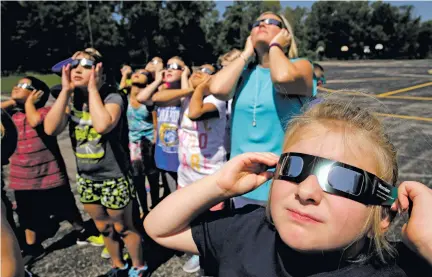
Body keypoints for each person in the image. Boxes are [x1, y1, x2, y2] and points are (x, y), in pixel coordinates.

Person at [144, 100, 432, 276]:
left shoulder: (397, 269)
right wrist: (219, 185)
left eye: (343, 180)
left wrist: (428, 243)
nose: (306, 191)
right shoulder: (248, 230)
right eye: (293, 167)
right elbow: (159, 228)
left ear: (383, 215)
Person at [44, 49, 148, 276]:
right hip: (87, 178)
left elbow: (103, 125)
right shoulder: (70, 99)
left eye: (85, 65)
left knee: (123, 227)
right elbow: (50, 128)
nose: (77, 69)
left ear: (100, 71)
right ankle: (117, 265)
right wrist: (67, 91)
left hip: (115, 177)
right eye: (73, 65)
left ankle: (139, 266)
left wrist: (92, 89)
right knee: (104, 227)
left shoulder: (113, 96)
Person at [209, 11, 316, 208]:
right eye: (257, 22)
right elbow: (217, 89)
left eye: (270, 21)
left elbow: (282, 78)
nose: (261, 24)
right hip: (240, 184)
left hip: (281, 185)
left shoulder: (301, 66)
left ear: (285, 33)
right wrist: (247, 53)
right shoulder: (244, 74)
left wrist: (275, 46)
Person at [1, 77, 94, 265]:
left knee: (66, 206)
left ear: (37, 94)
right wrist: (13, 102)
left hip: (49, 173)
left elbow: (35, 121)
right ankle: (32, 246)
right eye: (17, 84)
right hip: (22, 176)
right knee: (27, 213)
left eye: (24, 86)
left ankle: (81, 230)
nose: (17, 87)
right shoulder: (12, 115)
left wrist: (28, 103)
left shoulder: (46, 111)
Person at [150, 64, 227, 273]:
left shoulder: (217, 101)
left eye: (208, 71)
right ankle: (196, 253)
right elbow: (156, 98)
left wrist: (201, 88)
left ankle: (210, 259)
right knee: (190, 219)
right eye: (198, 69)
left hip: (210, 177)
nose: (200, 72)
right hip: (186, 175)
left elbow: (195, 112)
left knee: (211, 224)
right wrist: (192, 88)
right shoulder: (184, 96)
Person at [137, 56, 186, 196]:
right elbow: (141, 98)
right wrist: (158, 79)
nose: (169, 69)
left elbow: (184, 98)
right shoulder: (160, 95)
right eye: (168, 66)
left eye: (176, 67)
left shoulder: (188, 94)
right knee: (172, 197)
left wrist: (185, 78)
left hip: (183, 159)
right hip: (164, 157)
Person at [127, 68, 160, 214]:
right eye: (135, 72)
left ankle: (155, 206)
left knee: (152, 176)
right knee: (137, 178)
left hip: (148, 143)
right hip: (132, 143)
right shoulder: (124, 96)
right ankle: (144, 210)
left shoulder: (149, 99)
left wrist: (155, 142)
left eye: (142, 73)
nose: (137, 73)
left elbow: (156, 123)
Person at [217, 49, 242, 160]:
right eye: (221, 67)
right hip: (222, 149)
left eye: (227, 68)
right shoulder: (219, 91)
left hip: (238, 149)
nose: (223, 72)